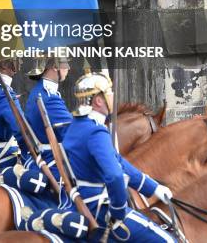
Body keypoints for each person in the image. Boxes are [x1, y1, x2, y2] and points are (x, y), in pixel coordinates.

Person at [62, 72, 174, 241]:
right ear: (98, 101)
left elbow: (118, 161)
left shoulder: (77, 124)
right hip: (98, 208)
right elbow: (115, 176)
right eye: (109, 91)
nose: (112, 96)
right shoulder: (96, 131)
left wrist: (153, 188)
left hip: (79, 201)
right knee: (166, 240)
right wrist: (118, 212)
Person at [25, 57, 72, 176]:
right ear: (55, 67)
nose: (68, 68)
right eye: (65, 63)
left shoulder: (40, 91)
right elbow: (70, 133)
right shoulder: (48, 97)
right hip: (53, 165)